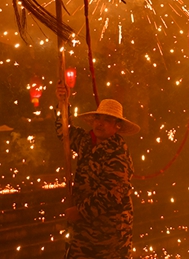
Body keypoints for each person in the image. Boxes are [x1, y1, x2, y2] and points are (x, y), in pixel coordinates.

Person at [57, 97, 139, 259]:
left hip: (109, 236)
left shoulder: (118, 154)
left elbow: (110, 195)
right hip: (84, 232)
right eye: (98, 118)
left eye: (107, 120)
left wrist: (80, 212)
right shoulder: (86, 141)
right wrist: (63, 102)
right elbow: (64, 131)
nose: (100, 123)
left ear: (117, 126)